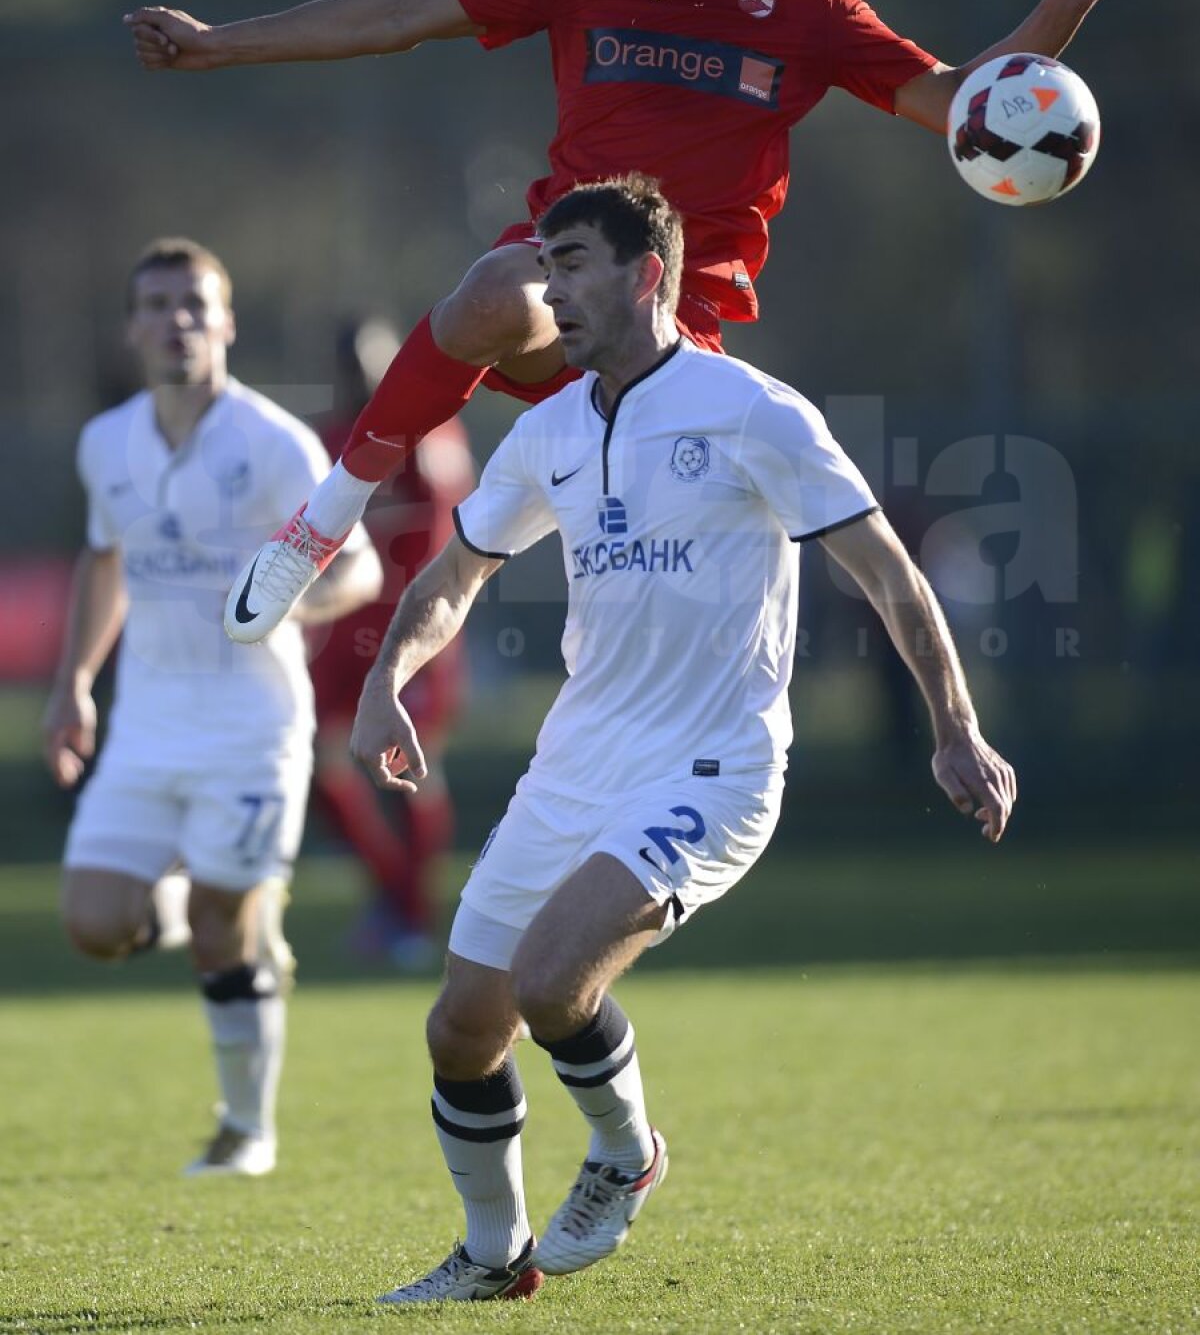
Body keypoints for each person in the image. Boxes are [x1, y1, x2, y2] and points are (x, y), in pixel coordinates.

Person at [121, 0, 1124, 643]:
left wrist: (1059, 12)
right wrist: (218, 47)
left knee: (658, 623)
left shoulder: (805, 5)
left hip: (675, 341)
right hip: (567, 291)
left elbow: (958, 105)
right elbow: (405, 13)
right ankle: (321, 526)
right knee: (488, 293)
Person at [346, 175, 1016, 1302]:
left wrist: (957, 727)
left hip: (713, 766)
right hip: (575, 764)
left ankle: (624, 1154)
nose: (545, 291)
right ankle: (491, 1256)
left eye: (567, 265)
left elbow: (890, 573)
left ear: (645, 272)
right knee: (463, 1028)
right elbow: (455, 573)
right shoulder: (548, 429)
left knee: (554, 983)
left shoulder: (754, 411)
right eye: (542, 266)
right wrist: (385, 682)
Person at [42, 238, 382, 1176]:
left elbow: (357, 563)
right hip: (147, 726)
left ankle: (246, 1129)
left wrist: (290, 596)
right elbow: (106, 558)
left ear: (226, 322)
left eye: (195, 304)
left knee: (228, 934)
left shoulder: (271, 442)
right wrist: (74, 681)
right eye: (156, 304)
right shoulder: (104, 440)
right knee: (93, 923)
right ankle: (210, 899)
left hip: (252, 726)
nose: (176, 320)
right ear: (132, 327)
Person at [308, 319, 474, 967]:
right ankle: (392, 894)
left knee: (412, 770)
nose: (359, 376)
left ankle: (413, 917)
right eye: (347, 364)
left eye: (370, 362)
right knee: (316, 762)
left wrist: (425, 636)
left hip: (410, 632)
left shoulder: (430, 435)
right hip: (342, 631)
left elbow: (443, 542)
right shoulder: (328, 441)